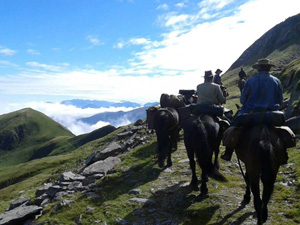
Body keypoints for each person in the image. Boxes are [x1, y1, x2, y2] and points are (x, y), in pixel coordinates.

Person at [221, 58, 284, 161]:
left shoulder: (250, 81)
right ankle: (284, 153)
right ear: (269, 68)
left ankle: (228, 152)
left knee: (234, 127)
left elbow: (242, 101)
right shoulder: (276, 81)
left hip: (250, 114)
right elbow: (280, 100)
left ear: (258, 68)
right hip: (272, 115)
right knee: (282, 130)